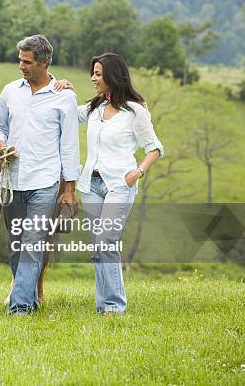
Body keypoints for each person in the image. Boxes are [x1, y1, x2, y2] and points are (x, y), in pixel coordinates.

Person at [0, 35, 81, 315]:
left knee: (32, 242)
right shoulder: (10, 92)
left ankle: (20, 308)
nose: (21, 66)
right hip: (12, 182)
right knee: (16, 247)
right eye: (20, 60)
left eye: (27, 62)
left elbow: (70, 147)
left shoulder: (64, 97)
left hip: (45, 183)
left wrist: (69, 188)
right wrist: (2, 146)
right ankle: (30, 297)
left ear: (44, 62)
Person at [76, 53, 164, 315]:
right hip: (91, 185)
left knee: (106, 241)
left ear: (113, 76)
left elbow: (155, 148)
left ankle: (114, 305)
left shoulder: (136, 112)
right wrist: (61, 86)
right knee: (98, 245)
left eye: (98, 74)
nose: (93, 78)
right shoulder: (94, 108)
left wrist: (138, 171)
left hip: (119, 185)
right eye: (93, 72)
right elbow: (66, 110)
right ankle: (104, 305)